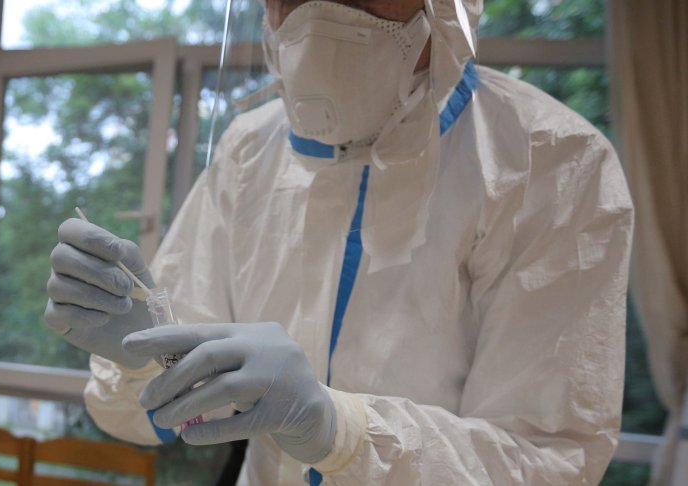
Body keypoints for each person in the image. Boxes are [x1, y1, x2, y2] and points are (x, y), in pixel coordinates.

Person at [45, 0, 634, 483]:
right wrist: (139, 357)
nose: (312, 15)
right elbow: (150, 412)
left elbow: (548, 462)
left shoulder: (550, 162)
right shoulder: (248, 153)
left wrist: (343, 432)